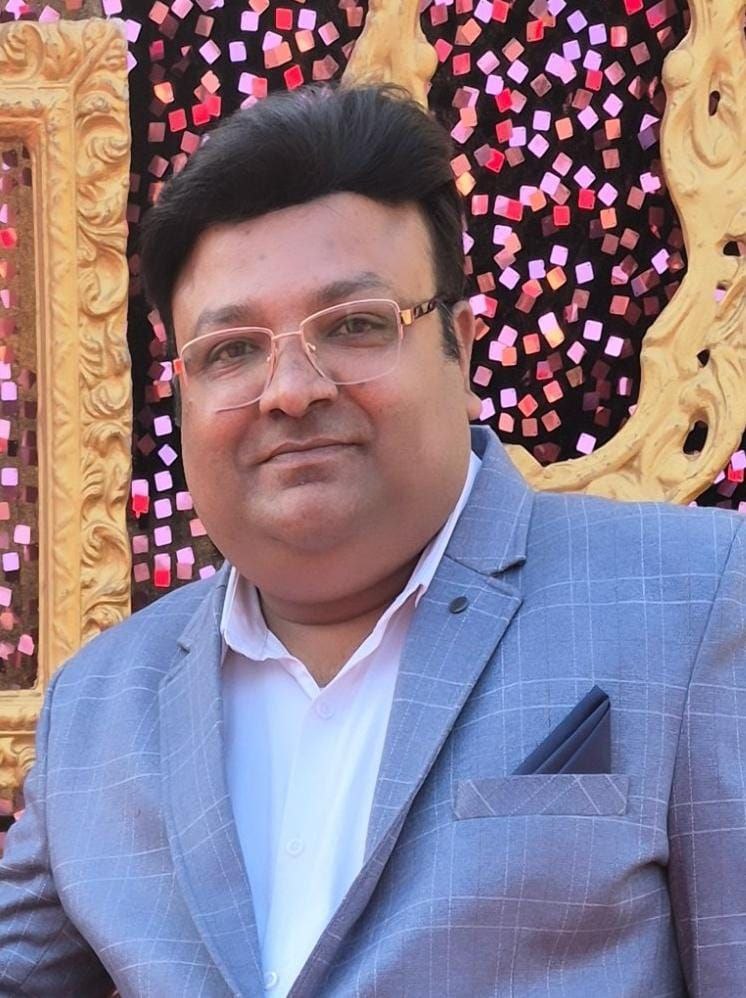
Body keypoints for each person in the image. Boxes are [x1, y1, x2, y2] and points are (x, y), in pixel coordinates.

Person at [0, 83, 744, 998]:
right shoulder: (100, 704)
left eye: (354, 326)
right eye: (231, 350)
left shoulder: (692, 599)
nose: (291, 390)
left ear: (462, 348)